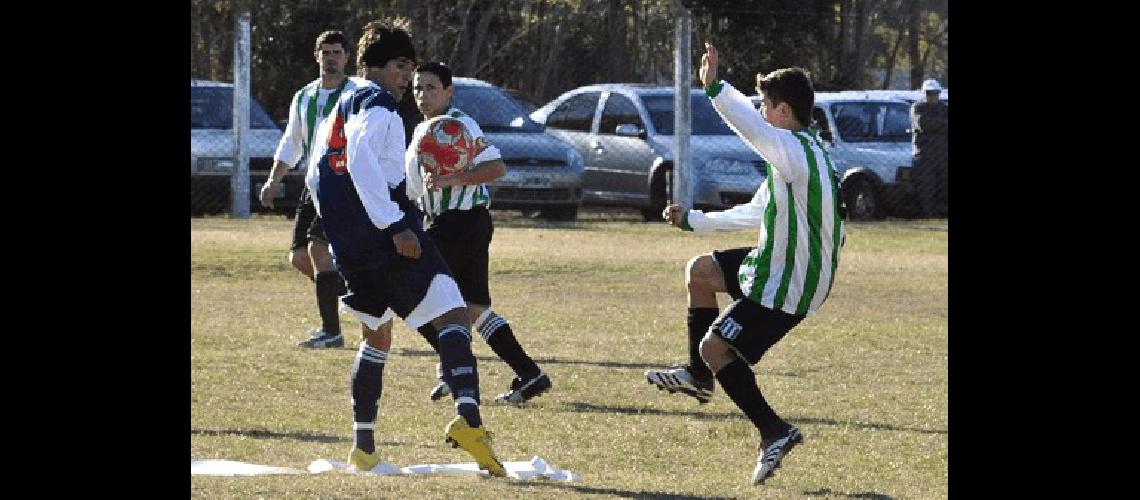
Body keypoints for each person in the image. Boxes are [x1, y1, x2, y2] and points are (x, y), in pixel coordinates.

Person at [304, 18, 506, 476]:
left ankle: (363, 447)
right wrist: (394, 224)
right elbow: (358, 162)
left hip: (352, 248)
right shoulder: (379, 105)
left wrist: (344, 231)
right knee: (455, 312)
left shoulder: (340, 106)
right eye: (399, 66)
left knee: (376, 335)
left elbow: (318, 174)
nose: (405, 78)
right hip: (387, 240)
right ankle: (470, 422)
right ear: (375, 65)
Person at [645, 43, 844, 486]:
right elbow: (756, 213)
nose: (761, 112)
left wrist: (716, 87)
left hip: (790, 281)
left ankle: (774, 430)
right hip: (775, 262)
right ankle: (698, 378)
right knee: (700, 272)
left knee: (717, 348)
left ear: (783, 111)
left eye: (765, 106)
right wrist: (695, 220)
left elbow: (752, 129)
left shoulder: (794, 150)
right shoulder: (798, 153)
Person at [404, 62, 553, 405]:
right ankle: (529, 373)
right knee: (473, 309)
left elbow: (497, 168)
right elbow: (413, 187)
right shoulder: (423, 130)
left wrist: (451, 179)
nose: (422, 95)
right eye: (417, 88)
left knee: (414, 293)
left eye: (430, 87)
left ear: (448, 90)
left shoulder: (459, 125)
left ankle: (455, 368)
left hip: (461, 222)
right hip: (452, 223)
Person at [260, 30, 369, 348]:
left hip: (343, 186)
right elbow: (291, 143)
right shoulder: (304, 97)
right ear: (317, 55)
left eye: (338, 52)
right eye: (326, 51)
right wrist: (273, 180)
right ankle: (361, 297)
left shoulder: (357, 95)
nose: (332, 57)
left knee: (318, 250)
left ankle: (331, 332)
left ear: (347, 58)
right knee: (298, 257)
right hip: (314, 185)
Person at [910, 79, 948, 217]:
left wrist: (937, 125)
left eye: (935, 93)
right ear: (924, 94)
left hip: (943, 155)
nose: (933, 96)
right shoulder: (917, 107)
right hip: (924, 156)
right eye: (930, 93)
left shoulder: (944, 108)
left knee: (944, 187)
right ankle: (928, 215)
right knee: (927, 187)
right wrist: (942, 125)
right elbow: (923, 124)